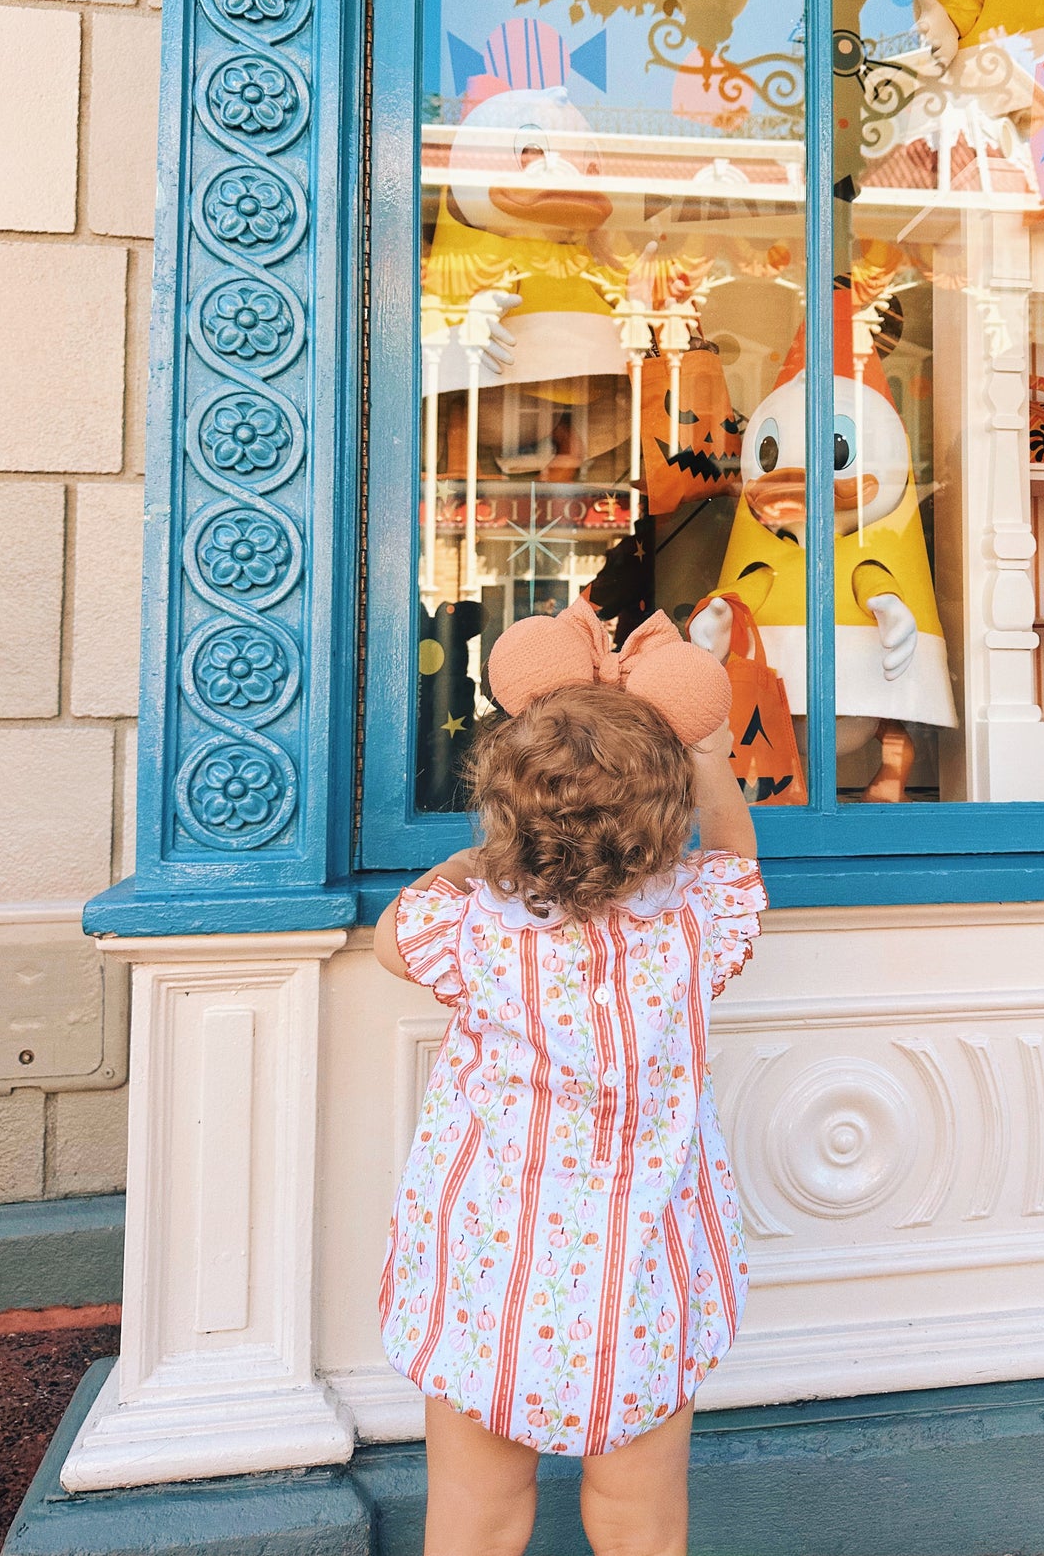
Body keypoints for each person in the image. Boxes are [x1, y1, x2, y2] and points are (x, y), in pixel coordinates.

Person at [374, 651, 762, 1556]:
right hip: (641, 1281)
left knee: (476, 1513)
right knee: (640, 1522)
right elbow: (737, 861)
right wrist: (707, 753)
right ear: (664, 823)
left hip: (488, 1280)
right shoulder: (695, 924)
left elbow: (395, 938)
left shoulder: (465, 930)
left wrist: (478, 856)